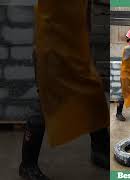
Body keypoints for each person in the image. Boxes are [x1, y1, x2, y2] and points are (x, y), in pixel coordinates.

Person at [19, 1, 109, 180]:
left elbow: (86, 11)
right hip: (51, 48)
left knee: (94, 95)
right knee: (46, 103)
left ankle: (99, 151)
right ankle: (27, 165)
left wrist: (86, 44)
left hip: (76, 48)